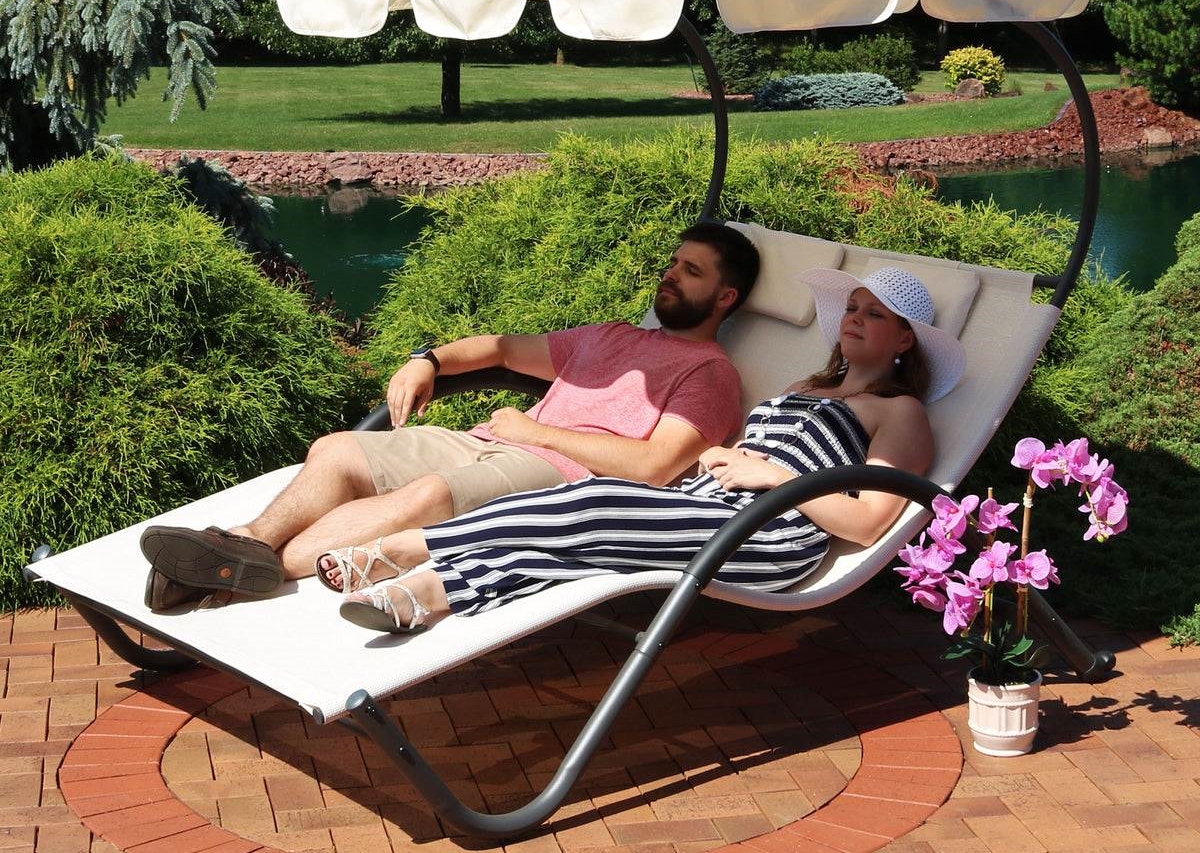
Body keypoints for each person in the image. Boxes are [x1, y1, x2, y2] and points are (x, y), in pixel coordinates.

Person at [139, 222, 760, 610]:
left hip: (562, 479)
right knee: (337, 449)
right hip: (486, 440)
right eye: (674, 262)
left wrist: (534, 431)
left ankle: (233, 571)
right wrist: (427, 360)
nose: (670, 275)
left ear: (725, 297)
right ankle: (246, 547)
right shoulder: (612, 335)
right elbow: (501, 349)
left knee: (431, 494)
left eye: (691, 272)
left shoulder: (710, 374)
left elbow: (655, 467)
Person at [330, 265, 967, 633]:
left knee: (594, 504)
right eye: (852, 307)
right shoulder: (806, 389)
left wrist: (771, 476)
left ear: (904, 340)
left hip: (770, 534)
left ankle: (406, 549)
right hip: (712, 506)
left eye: (874, 314)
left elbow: (868, 523)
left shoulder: (900, 412)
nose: (854, 317)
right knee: (577, 548)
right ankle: (423, 595)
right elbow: (745, 455)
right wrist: (723, 460)